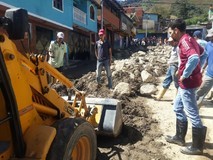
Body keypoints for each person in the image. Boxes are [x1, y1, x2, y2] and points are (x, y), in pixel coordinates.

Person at [165, 19, 207, 155]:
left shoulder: (184, 41)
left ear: (176, 30)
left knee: (192, 113)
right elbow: (203, 54)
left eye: (171, 32)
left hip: (188, 83)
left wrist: (186, 73)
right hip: (187, 82)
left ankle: (197, 147)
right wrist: (196, 70)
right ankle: (179, 137)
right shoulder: (190, 39)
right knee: (177, 107)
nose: (171, 35)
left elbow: (194, 58)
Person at [155, 37, 179, 101]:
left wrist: (179, 69)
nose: (170, 43)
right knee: (167, 80)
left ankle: (176, 100)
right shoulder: (173, 48)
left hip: (176, 66)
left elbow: (181, 59)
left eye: (171, 42)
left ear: (176, 41)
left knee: (177, 83)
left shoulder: (178, 48)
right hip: (171, 66)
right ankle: (159, 96)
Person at [196, 29, 213, 107]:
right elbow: (207, 57)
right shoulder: (208, 45)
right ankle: (195, 109)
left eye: (211, 37)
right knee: (201, 91)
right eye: (209, 37)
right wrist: (203, 68)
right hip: (210, 73)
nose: (210, 38)